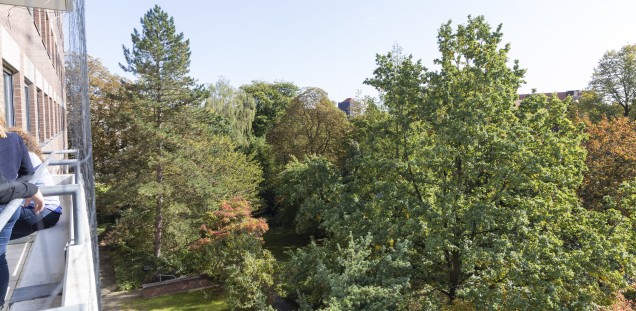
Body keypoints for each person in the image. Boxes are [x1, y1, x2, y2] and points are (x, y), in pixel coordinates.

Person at [0, 122, 44, 309]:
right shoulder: (14, 139)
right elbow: (28, 175)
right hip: (9, 208)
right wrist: (29, 189)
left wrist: (29, 189)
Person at [8, 128, 62, 240]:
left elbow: (9, 186)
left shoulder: (24, 156)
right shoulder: (29, 154)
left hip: (41, 211)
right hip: (48, 213)